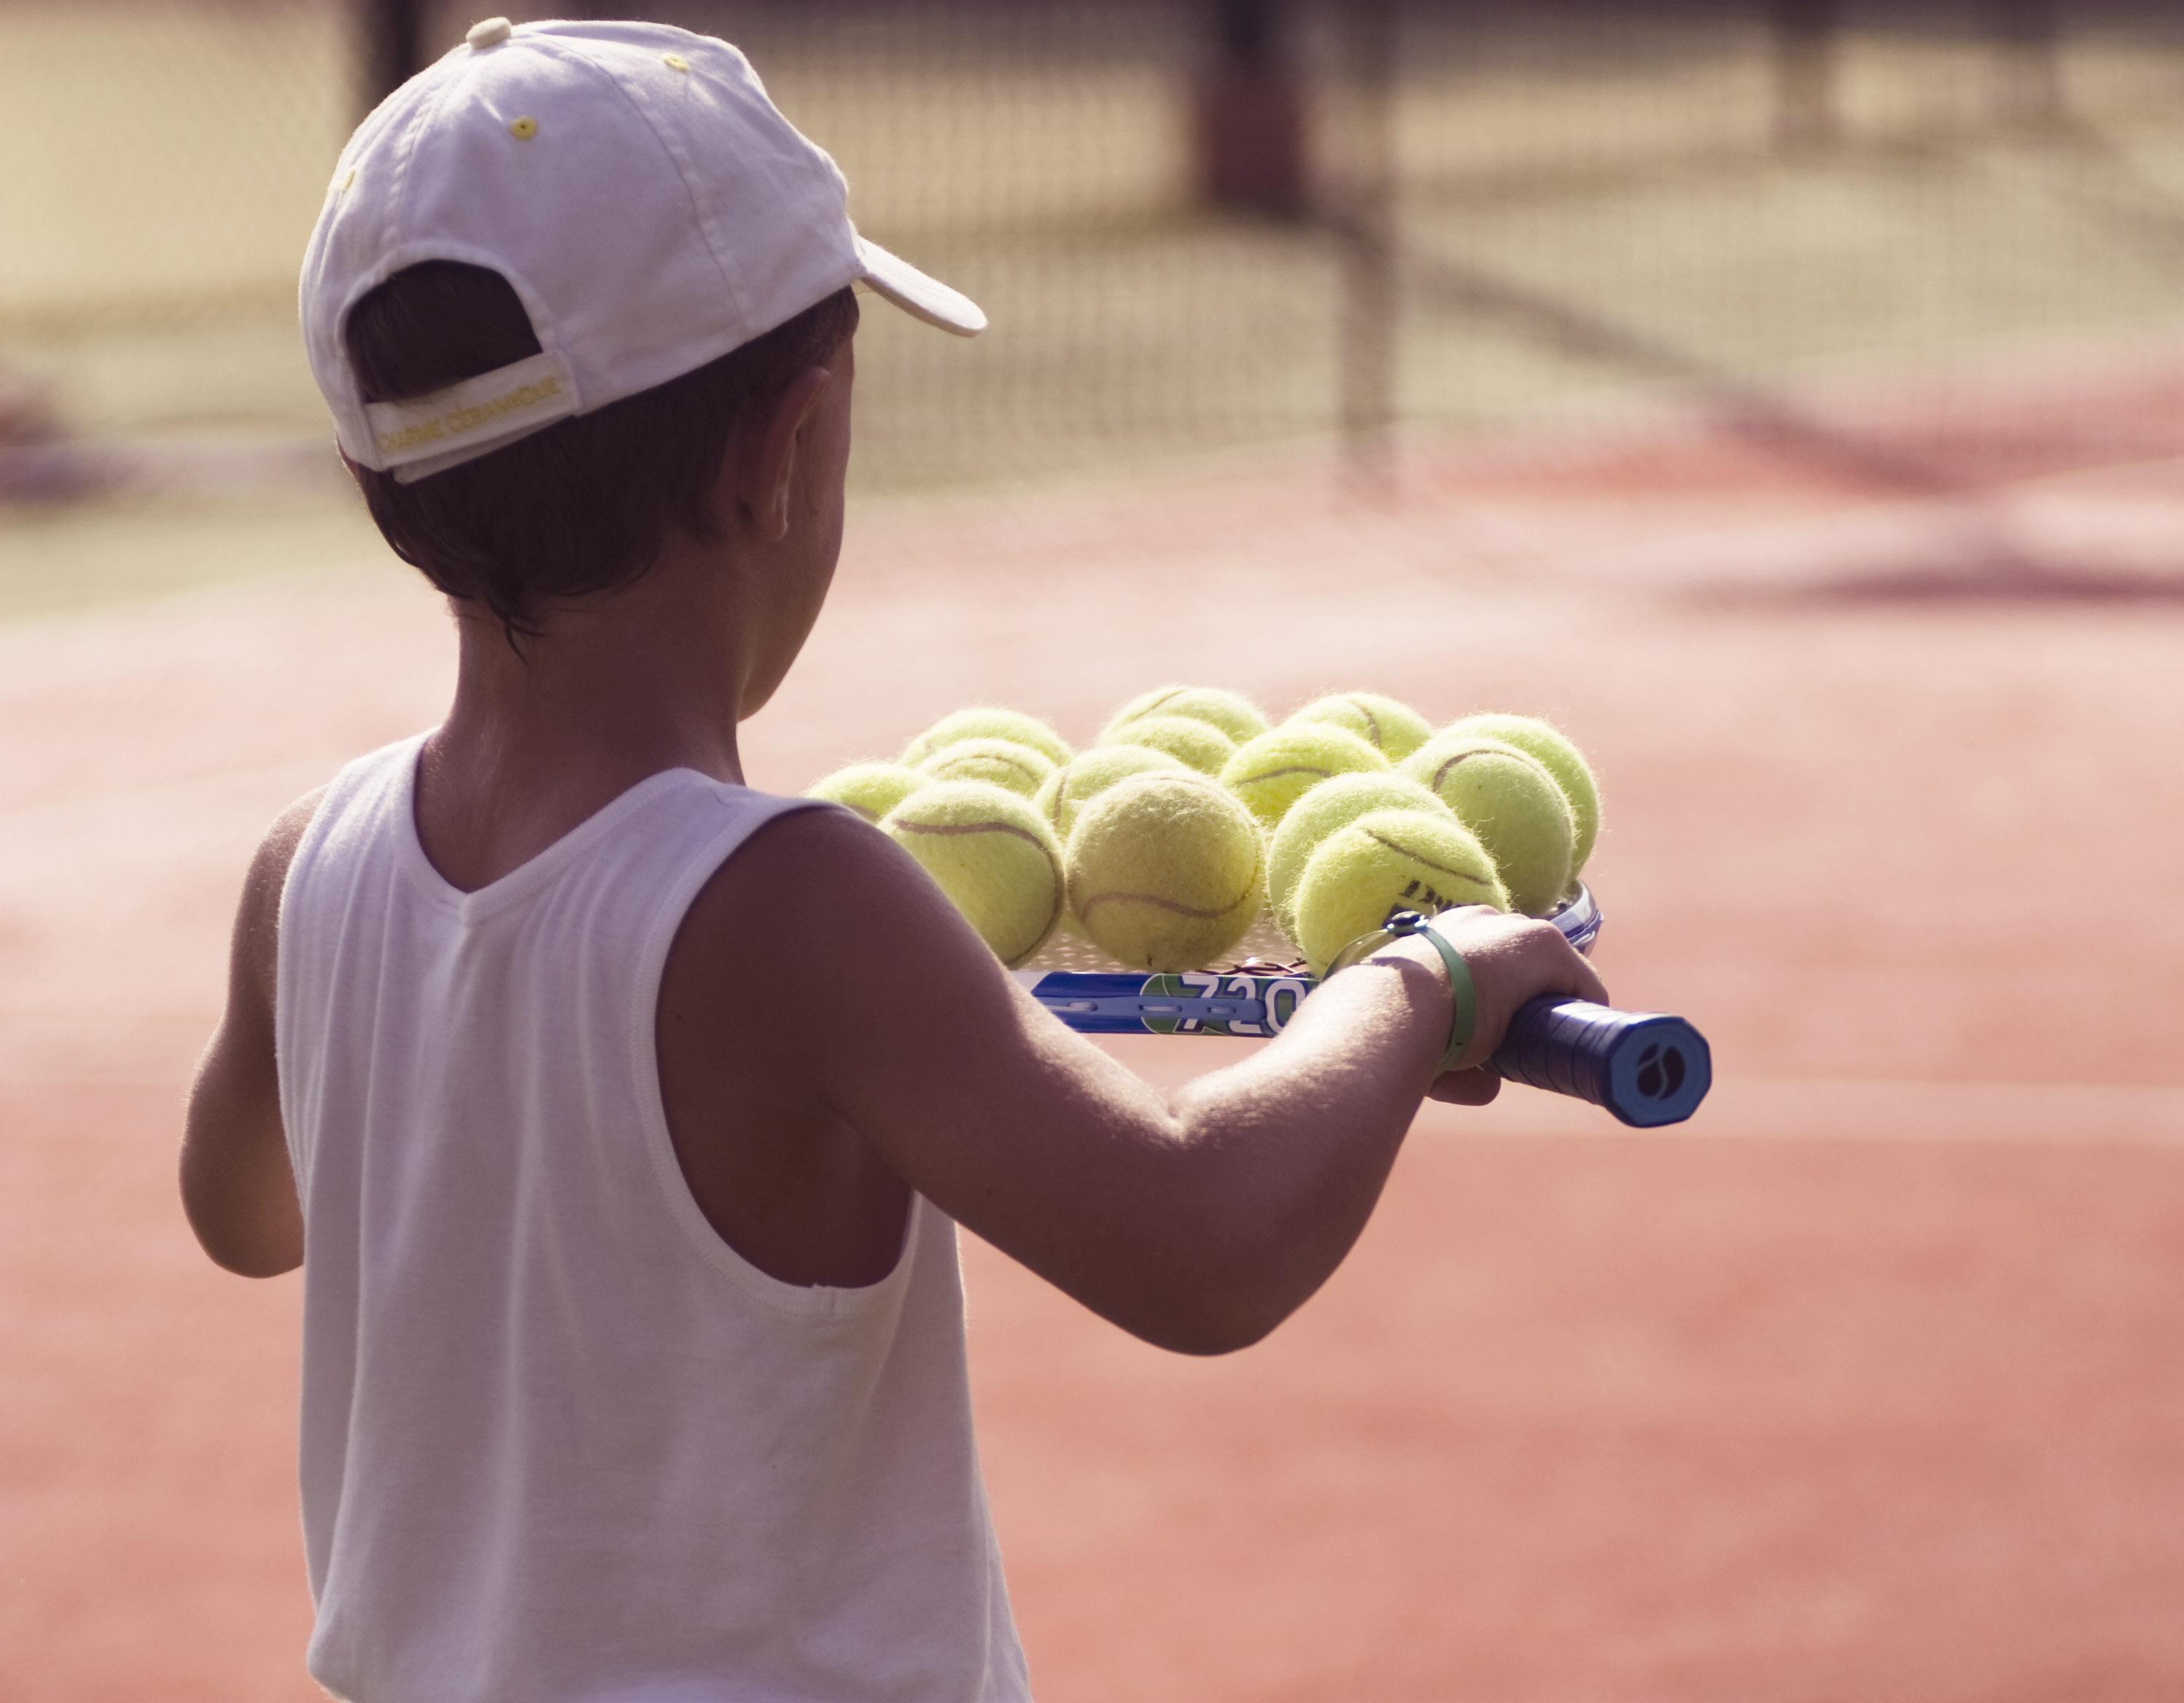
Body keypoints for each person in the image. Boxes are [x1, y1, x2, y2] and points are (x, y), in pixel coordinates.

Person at [177, 18, 1604, 1702]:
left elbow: (246, 1213)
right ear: (784, 459)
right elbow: (1207, 1240)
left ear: (378, 478)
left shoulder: (306, 870)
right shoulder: (794, 907)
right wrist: (1424, 975)